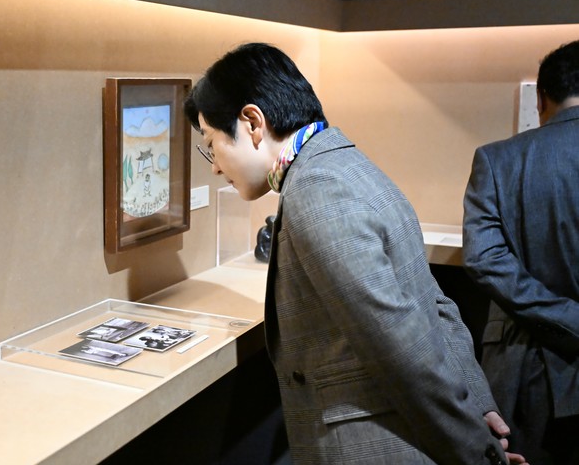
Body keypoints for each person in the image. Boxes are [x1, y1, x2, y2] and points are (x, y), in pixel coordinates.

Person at [186, 43, 526, 464]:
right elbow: (435, 306)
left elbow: (400, 347)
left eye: (211, 143)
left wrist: (479, 452)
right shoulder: (346, 164)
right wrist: (477, 407)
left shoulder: (317, 191)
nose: (215, 166)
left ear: (252, 122)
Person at [463, 40, 579, 463]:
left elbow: (483, 259)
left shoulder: (497, 160)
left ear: (541, 99)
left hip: (524, 367)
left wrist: (568, 317)